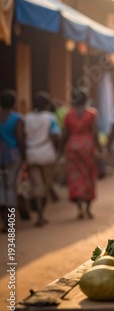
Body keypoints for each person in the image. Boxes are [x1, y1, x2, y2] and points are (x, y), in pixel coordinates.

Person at [59, 88, 102, 219]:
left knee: (75, 177)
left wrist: (60, 149)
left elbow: (65, 133)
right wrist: (99, 148)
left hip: (72, 146)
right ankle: (88, 209)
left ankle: (79, 208)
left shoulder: (68, 114)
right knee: (89, 176)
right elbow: (95, 132)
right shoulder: (91, 113)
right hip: (88, 147)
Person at [25, 92, 60, 227]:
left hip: (31, 153)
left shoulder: (27, 118)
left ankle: (39, 214)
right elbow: (56, 136)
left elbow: (23, 136)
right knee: (46, 184)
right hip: (46, 154)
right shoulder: (50, 117)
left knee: (36, 185)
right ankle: (41, 214)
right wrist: (57, 151)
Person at [0, 90, 26, 232]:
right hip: (13, 156)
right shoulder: (18, 118)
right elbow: (20, 139)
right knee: (11, 188)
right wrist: (24, 156)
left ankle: (4, 222)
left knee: (2, 188)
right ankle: (9, 224)